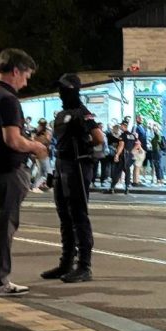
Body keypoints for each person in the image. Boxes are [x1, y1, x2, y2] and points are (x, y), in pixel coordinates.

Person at [39, 74, 104, 283]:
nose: (60, 93)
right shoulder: (62, 114)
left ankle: (84, 266)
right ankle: (66, 262)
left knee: (78, 215)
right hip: (62, 166)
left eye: (63, 89)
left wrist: (85, 150)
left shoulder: (82, 112)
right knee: (64, 216)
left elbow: (99, 138)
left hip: (77, 166)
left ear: (73, 90)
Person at [0, 49, 45, 296]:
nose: (26, 83)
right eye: (26, 76)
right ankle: (1, 281)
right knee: (4, 227)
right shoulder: (8, 99)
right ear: (15, 71)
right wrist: (35, 146)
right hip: (7, 172)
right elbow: (13, 140)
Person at [107, 120, 137, 194]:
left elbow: (121, 146)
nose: (120, 127)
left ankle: (112, 188)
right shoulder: (132, 135)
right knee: (127, 171)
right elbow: (138, 144)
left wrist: (117, 155)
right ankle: (127, 188)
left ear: (124, 126)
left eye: (121, 125)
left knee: (117, 172)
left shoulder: (123, 136)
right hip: (130, 156)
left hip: (123, 156)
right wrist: (132, 152)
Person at [29, 118, 53, 192]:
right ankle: (35, 186)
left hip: (42, 154)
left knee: (43, 172)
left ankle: (37, 186)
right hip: (42, 155)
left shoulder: (39, 132)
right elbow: (47, 142)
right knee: (45, 173)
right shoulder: (43, 132)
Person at [132, 114, 148, 186]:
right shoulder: (136, 127)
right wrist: (139, 148)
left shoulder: (142, 127)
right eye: (139, 118)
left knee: (138, 165)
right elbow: (136, 138)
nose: (141, 119)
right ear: (136, 119)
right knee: (137, 165)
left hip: (142, 148)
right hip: (138, 148)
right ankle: (135, 181)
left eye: (141, 118)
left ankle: (137, 180)